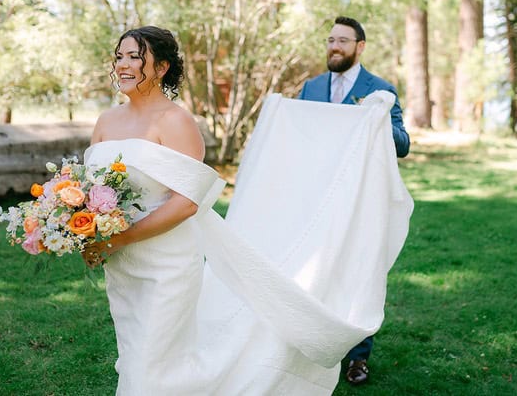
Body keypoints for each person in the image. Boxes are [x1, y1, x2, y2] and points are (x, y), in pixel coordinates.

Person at [81, 25, 413, 395]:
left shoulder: (175, 122)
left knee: (152, 361)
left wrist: (120, 238)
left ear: (161, 68)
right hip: (122, 264)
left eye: (135, 57)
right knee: (134, 356)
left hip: (164, 263)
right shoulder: (106, 121)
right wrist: (81, 228)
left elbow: (186, 202)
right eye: (120, 56)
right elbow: (91, 187)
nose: (123, 64)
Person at [298, 15, 410, 386]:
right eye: (330, 40)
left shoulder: (380, 89)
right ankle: (314, 346)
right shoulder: (311, 88)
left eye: (342, 41)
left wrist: (376, 118)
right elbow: (297, 136)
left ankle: (357, 357)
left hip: (361, 200)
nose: (334, 46)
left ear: (360, 47)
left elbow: (403, 144)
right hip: (316, 199)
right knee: (314, 271)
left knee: (358, 273)